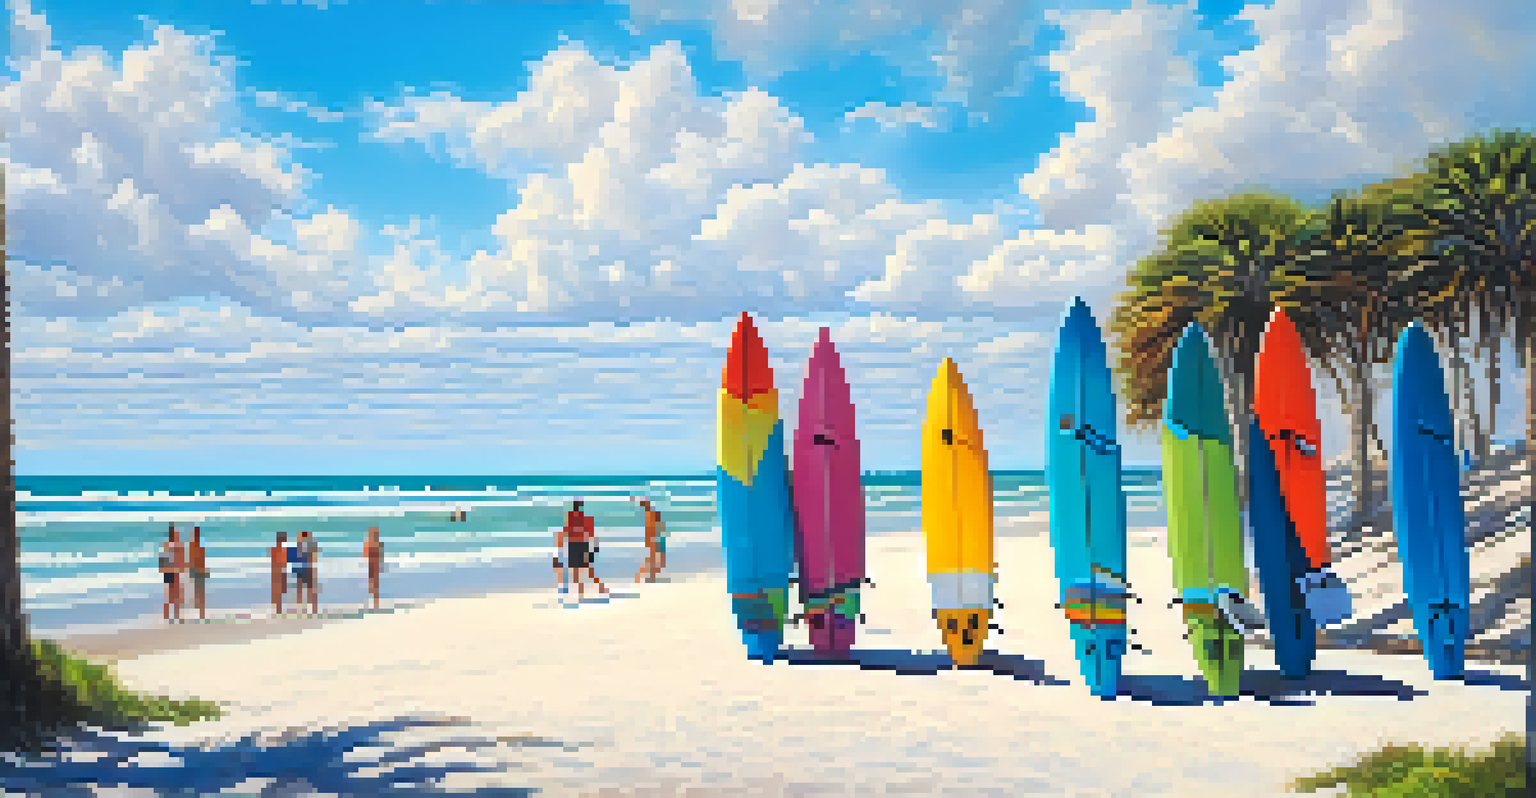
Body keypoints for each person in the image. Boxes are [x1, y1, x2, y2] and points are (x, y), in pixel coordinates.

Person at [560, 501, 607, 600]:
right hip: (578, 545)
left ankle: (585, 591)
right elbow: (590, 533)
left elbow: (565, 533)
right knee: (582, 570)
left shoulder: (572, 519)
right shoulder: (580, 519)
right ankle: (583, 592)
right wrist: (595, 546)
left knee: (582, 570)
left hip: (576, 545)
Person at [633, 498, 668, 582]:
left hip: (653, 536)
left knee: (653, 555)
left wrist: (649, 538)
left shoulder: (650, 514)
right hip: (655, 535)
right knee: (657, 554)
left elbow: (650, 527)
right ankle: (655, 572)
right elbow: (658, 525)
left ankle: (653, 573)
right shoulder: (653, 513)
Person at [160, 524, 184, 622]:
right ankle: (175, 615)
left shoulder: (167, 545)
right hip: (173, 571)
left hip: (169, 571)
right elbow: (180, 560)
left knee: (170, 594)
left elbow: (162, 559)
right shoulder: (177, 546)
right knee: (175, 594)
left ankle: (168, 615)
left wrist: (163, 569)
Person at [189, 525, 209, 621]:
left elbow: (196, 560)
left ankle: (201, 612)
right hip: (198, 570)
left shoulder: (195, 547)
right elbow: (198, 559)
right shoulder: (197, 547)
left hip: (198, 570)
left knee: (198, 591)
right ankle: (201, 612)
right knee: (199, 591)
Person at [299, 530, 321, 614]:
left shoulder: (301, 546)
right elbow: (314, 557)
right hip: (309, 568)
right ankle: (313, 608)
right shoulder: (310, 546)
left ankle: (303, 608)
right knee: (310, 590)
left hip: (304, 569)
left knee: (302, 590)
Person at [363, 526, 383, 610]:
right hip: (374, 564)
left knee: (373, 582)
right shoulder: (377, 544)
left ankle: (374, 601)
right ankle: (375, 601)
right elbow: (380, 555)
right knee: (374, 582)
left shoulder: (371, 543)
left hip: (372, 564)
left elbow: (366, 554)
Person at [270, 531, 289, 615]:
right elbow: (282, 562)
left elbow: (275, 562)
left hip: (277, 571)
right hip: (279, 571)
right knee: (279, 590)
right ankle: (278, 608)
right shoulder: (281, 550)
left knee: (278, 590)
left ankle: (278, 608)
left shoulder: (275, 549)